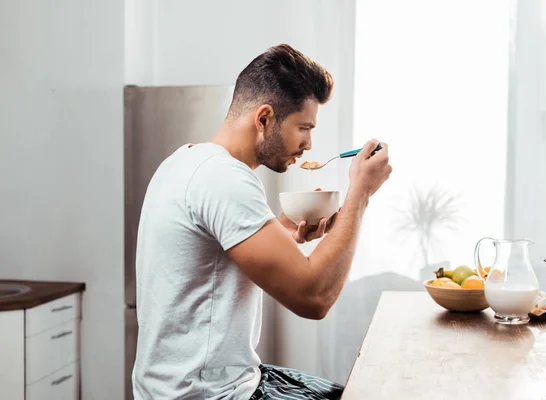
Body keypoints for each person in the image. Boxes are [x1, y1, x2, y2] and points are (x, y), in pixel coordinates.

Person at [132, 43, 392, 400]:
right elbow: (314, 297)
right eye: (304, 127)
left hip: (178, 386)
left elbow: (211, 259)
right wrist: (359, 195)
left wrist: (285, 230)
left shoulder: (184, 162)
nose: (309, 144)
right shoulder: (225, 179)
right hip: (209, 394)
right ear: (264, 118)